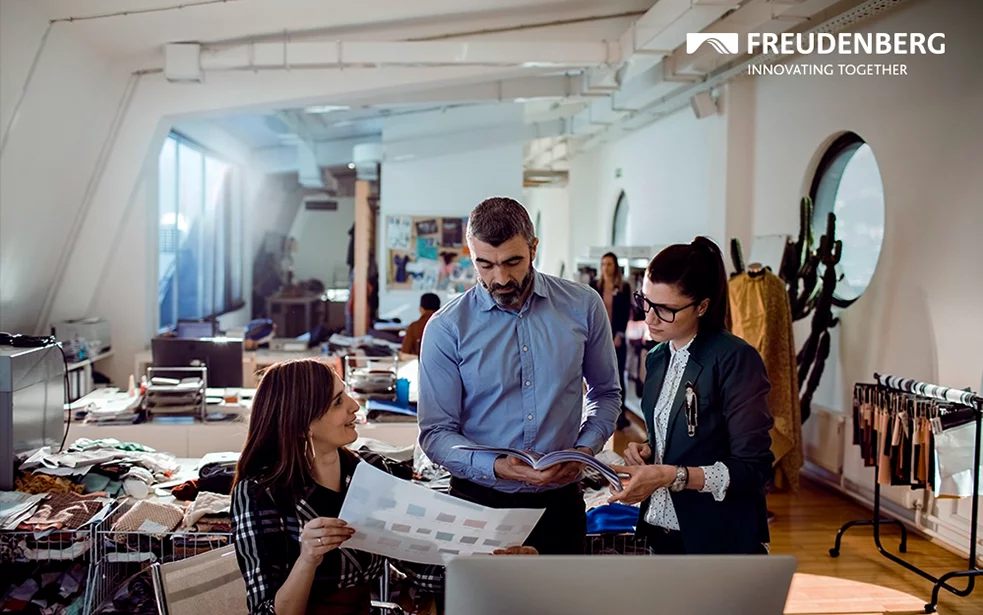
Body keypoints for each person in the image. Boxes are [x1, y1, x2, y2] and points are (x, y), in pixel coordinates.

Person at [232, 359, 534, 615]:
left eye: (346, 394)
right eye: (338, 401)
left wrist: (494, 566)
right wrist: (308, 558)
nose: (354, 405)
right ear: (301, 424)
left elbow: (421, 567)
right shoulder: (259, 492)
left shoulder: (371, 471)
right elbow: (267, 611)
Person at [418, 197, 622, 556]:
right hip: (477, 504)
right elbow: (435, 433)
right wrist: (496, 467)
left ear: (533, 248)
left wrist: (583, 451)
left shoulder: (583, 305)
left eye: (513, 262)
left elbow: (606, 394)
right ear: (471, 255)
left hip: (561, 505)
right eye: (485, 264)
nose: (500, 278)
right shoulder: (447, 327)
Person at [608, 237, 774, 555]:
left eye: (666, 310)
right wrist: (647, 452)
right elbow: (681, 439)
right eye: (646, 302)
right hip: (661, 529)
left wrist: (672, 475)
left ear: (702, 305)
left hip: (716, 535)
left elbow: (753, 469)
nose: (650, 318)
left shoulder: (735, 359)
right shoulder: (657, 358)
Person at [590, 252, 633, 429]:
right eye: (603, 264)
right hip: (598, 336)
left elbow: (626, 312)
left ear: (615, 266)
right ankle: (598, 415)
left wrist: (620, 335)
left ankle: (620, 416)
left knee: (618, 375)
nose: (606, 268)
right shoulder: (595, 286)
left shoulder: (623, 287)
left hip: (617, 337)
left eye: (609, 264)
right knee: (598, 374)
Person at [400, 292, 441, 358]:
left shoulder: (414, 327)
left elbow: (404, 353)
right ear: (439, 309)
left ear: (421, 309)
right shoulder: (446, 326)